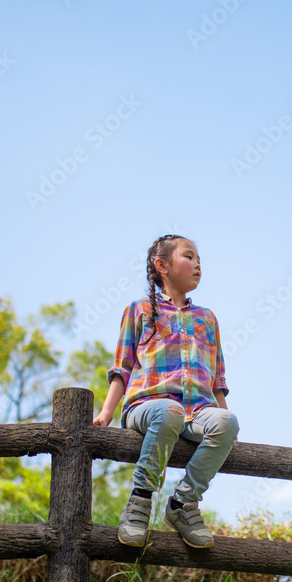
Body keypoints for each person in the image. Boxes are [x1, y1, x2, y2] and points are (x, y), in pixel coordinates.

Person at [93, 234, 238, 549]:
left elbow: (217, 379)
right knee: (169, 411)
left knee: (228, 423)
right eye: (189, 256)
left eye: (200, 259)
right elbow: (123, 366)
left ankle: (183, 504)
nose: (198, 264)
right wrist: (106, 412)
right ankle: (141, 499)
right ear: (162, 265)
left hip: (196, 413)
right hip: (147, 407)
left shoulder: (207, 319)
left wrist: (225, 419)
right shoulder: (140, 309)